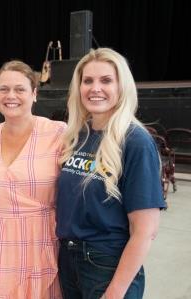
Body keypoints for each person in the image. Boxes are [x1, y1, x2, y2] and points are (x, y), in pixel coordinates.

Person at [56, 48, 166, 299]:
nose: (95, 88)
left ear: (121, 87)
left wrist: (115, 291)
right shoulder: (77, 136)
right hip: (68, 261)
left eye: (106, 80)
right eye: (88, 81)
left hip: (106, 265)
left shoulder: (135, 141)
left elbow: (146, 231)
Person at [0, 60, 65, 298]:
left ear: (34, 94)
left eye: (19, 89)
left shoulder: (58, 134)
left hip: (40, 243)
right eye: (3, 89)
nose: (10, 95)